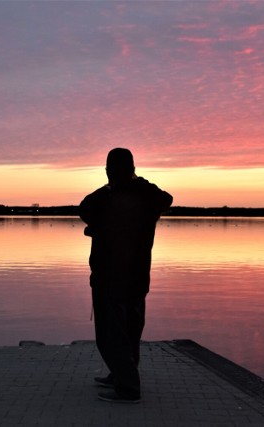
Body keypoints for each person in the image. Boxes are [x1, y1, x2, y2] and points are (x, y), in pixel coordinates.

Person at [79, 148, 173, 403]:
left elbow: (84, 208)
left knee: (112, 332)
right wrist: (137, 182)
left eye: (109, 170)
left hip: (111, 275)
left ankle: (128, 387)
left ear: (110, 170)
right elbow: (165, 198)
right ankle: (120, 375)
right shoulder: (146, 196)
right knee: (130, 330)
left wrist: (115, 188)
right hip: (137, 275)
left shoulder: (109, 197)